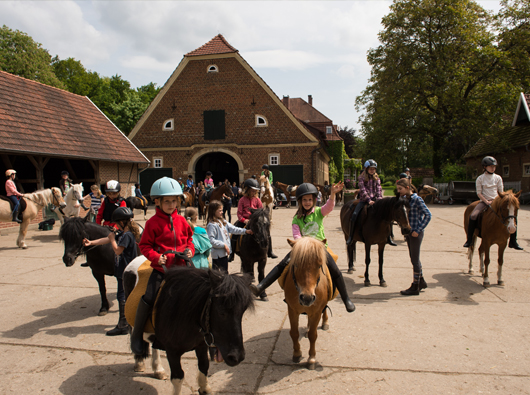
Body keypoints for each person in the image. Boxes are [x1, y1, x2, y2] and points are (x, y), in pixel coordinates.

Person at [250, 182, 355, 312]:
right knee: (283, 265)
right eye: (304, 200)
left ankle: (346, 299)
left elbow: (329, 207)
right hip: (302, 249)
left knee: (335, 270)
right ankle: (261, 286)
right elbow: (297, 236)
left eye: (310, 200)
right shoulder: (296, 219)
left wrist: (333, 194)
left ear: (314, 200)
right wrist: (303, 247)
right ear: (300, 201)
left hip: (319, 249)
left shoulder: (318, 212)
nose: (307, 202)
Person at [131, 176, 195, 355]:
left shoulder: (183, 221)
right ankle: (136, 335)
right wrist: (156, 257)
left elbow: (190, 240)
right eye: (167, 201)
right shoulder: (152, 223)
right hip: (162, 269)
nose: (171, 205)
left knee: (201, 290)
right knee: (150, 297)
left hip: (183, 267)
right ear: (157, 201)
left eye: (174, 201)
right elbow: (144, 246)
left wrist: (190, 250)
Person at [83, 207, 140, 335]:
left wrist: (113, 239)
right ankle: (128, 322)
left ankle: (123, 325)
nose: (115, 225)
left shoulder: (127, 236)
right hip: (123, 269)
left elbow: (118, 250)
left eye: (116, 222)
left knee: (122, 296)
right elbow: (107, 239)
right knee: (125, 295)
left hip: (126, 270)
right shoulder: (123, 233)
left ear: (121, 222)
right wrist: (90, 242)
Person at [464, 156, 523, 250]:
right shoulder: (480, 178)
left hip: (497, 201)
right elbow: (479, 193)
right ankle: (469, 240)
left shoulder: (498, 178)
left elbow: (501, 191)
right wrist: (486, 201)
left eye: (494, 166)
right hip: (484, 201)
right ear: (485, 167)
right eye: (490, 166)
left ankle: (513, 241)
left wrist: (499, 201)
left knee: (512, 217)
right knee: (473, 216)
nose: (493, 168)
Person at [346, 159, 396, 247]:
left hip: (376, 200)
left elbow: (379, 189)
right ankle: (350, 236)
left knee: (388, 215)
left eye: (374, 169)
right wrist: (369, 200)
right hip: (364, 200)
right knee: (354, 215)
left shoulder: (377, 178)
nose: (372, 170)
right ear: (366, 169)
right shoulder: (361, 177)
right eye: (371, 169)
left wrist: (379, 200)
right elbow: (363, 190)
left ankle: (388, 237)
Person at [396, 178, 431, 295]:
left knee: (415, 259)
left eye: (400, 189)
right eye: (398, 189)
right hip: (409, 233)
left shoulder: (417, 199)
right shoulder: (404, 199)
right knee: (413, 258)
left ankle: (415, 286)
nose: (398, 191)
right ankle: (421, 281)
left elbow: (428, 215)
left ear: (407, 188)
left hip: (416, 233)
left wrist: (419, 229)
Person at [230, 178, 277, 261]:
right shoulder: (242, 200)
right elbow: (239, 213)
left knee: (267, 232)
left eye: (255, 191)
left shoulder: (257, 200)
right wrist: (244, 220)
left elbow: (261, 211)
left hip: (256, 221)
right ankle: (232, 253)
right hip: (244, 221)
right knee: (234, 233)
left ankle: (270, 251)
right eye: (252, 191)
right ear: (247, 190)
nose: (254, 193)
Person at [207, 200, 252, 272]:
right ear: (213, 211)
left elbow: (233, 229)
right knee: (219, 275)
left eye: (222, 210)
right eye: (220, 210)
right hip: (218, 255)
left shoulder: (223, 221)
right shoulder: (211, 225)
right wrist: (223, 245)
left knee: (224, 273)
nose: (222, 212)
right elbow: (211, 240)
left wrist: (245, 231)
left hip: (224, 254)